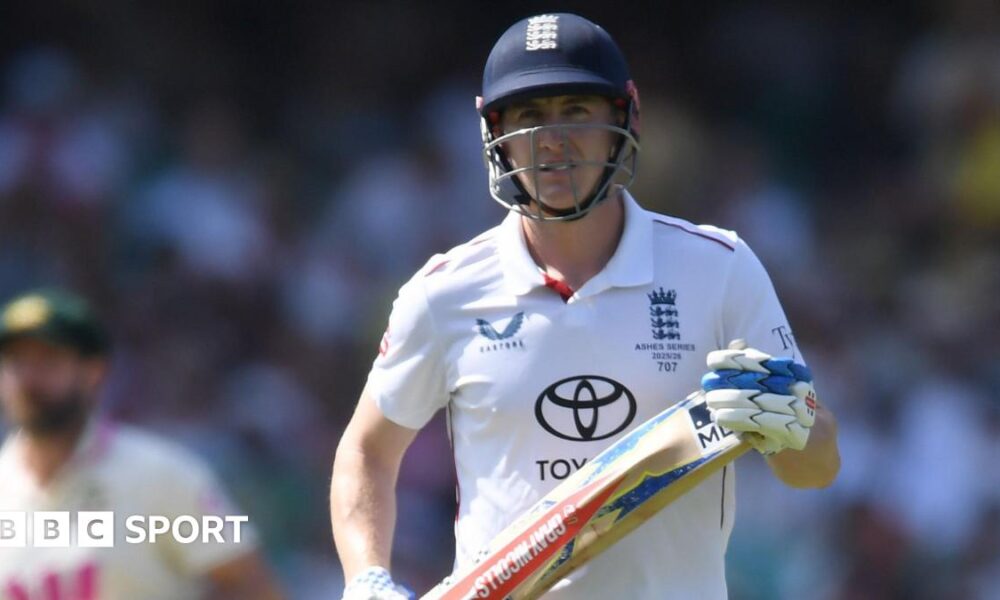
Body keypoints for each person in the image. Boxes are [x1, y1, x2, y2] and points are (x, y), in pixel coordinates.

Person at [331, 13, 840, 599]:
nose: (552, 140)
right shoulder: (445, 293)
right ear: (493, 130)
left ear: (625, 116)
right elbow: (366, 451)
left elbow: (818, 469)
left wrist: (794, 424)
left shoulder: (719, 268)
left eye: (576, 111)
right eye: (528, 116)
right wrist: (366, 577)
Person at [0, 288, 285, 600]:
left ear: (93, 372)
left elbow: (252, 586)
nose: (29, 379)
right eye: (16, 362)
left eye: (48, 360)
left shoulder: (161, 476)